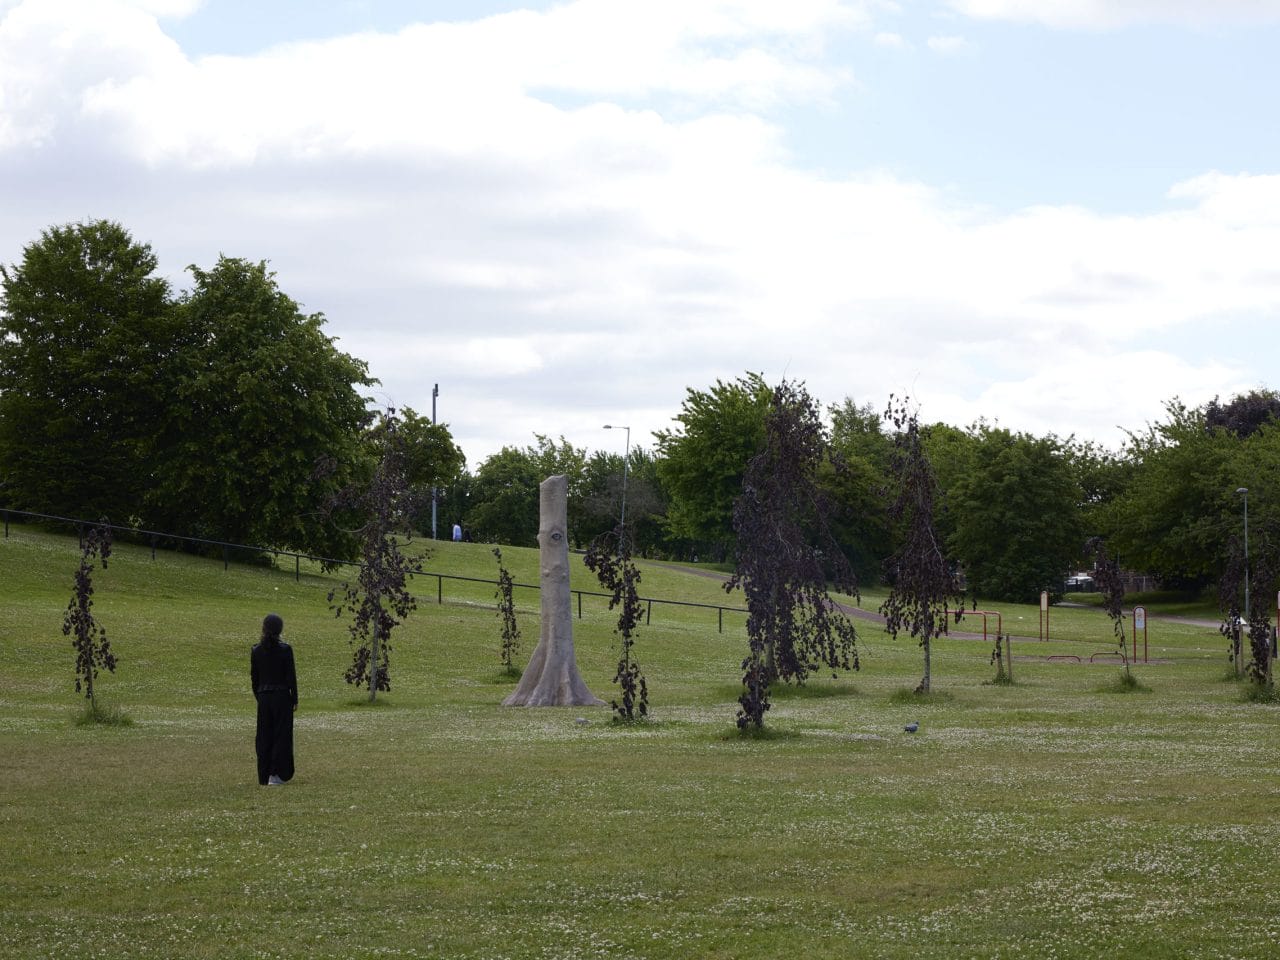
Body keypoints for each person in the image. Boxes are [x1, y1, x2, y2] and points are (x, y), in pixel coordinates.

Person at [251, 613, 297, 786]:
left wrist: (260, 696)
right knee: (281, 734)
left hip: (264, 697)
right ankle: (277, 773)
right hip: (282, 696)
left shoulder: (256, 650)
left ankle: (264, 774)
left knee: (264, 735)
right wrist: (294, 697)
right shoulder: (285, 649)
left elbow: (254, 678)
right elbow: (290, 676)